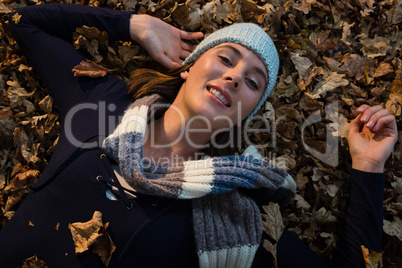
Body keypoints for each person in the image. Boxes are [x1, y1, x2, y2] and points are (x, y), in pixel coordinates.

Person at [0, 3, 397, 268]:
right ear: (189, 66)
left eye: (253, 82)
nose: (235, 76)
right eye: (225, 58)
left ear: (247, 115)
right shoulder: (102, 105)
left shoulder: (226, 220)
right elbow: (23, 21)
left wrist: (368, 165)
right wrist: (135, 25)